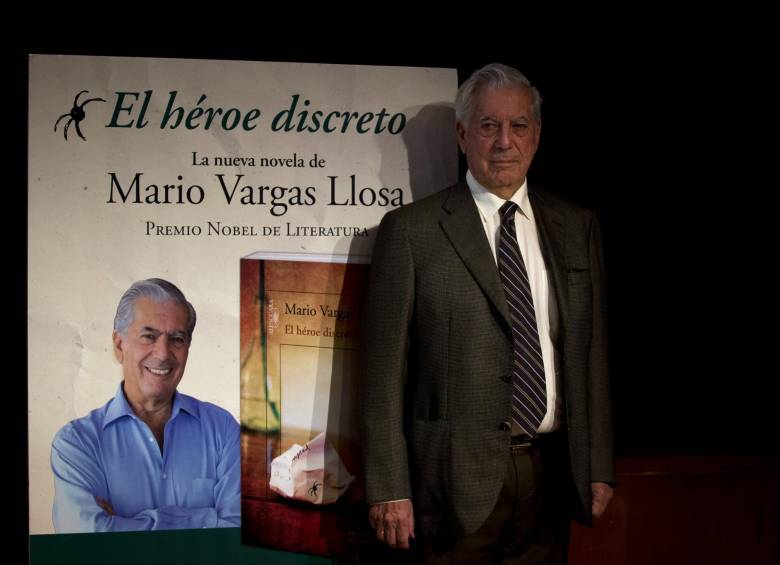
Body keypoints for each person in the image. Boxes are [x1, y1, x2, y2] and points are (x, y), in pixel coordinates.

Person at [360, 63, 615, 563]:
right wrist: (388, 487)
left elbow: (593, 354)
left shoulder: (576, 226)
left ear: (536, 135)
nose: (504, 142)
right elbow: (382, 374)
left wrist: (598, 463)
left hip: (551, 477)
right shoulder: (411, 232)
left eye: (518, 126)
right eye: (488, 126)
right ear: (462, 135)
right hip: (451, 486)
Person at [51, 278, 240, 532]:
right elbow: (87, 543)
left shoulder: (223, 430)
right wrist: (208, 519)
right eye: (149, 336)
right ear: (119, 345)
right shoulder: (77, 443)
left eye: (177, 339)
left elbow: (239, 534)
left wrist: (123, 525)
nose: (163, 353)